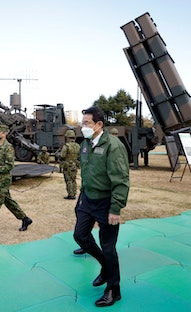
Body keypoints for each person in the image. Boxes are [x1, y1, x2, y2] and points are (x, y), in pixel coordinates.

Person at [73, 106, 130, 307]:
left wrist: (115, 209)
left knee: (108, 246)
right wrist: (81, 197)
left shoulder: (113, 146)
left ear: (99, 125)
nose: (83, 127)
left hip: (106, 203)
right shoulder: (86, 144)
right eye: (82, 123)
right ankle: (105, 267)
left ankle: (114, 290)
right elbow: (88, 172)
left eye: (87, 123)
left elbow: (121, 180)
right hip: (88, 199)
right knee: (80, 235)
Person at [59, 129, 80, 200]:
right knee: (73, 179)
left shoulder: (66, 146)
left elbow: (62, 155)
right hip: (75, 165)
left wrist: (58, 155)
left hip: (67, 166)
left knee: (68, 180)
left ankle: (70, 195)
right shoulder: (78, 146)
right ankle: (74, 193)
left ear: (67, 137)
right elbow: (79, 156)